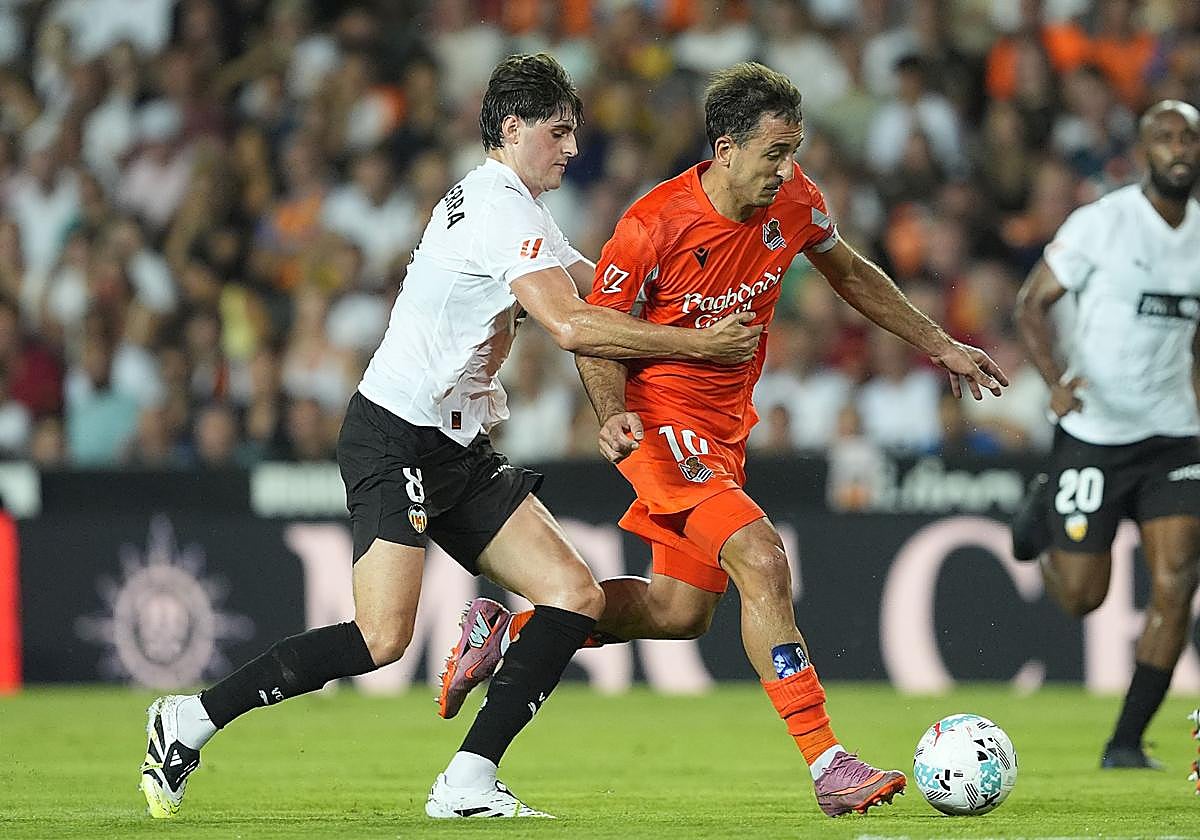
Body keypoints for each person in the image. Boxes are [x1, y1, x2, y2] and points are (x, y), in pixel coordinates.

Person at [138, 53, 761, 821]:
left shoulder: (516, 209)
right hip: (394, 434)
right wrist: (700, 347)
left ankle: (467, 780)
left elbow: (601, 290)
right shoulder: (501, 211)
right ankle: (190, 719)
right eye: (559, 132)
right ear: (513, 129)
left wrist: (687, 303)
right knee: (381, 639)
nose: (571, 148)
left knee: (574, 595)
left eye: (575, 133)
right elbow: (571, 324)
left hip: (456, 448)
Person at [438, 62, 1007, 818]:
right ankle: (829, 763)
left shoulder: (797, 200)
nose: (787, 168)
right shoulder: (652, 224)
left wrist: (938, 341)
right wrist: (611, 411)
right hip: (660, 424)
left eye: (794, 149)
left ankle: (510, 632)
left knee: (680, 613)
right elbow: (595, 334)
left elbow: (850, 273)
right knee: (762, 557)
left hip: (724, 431)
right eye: (774, 151)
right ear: (726, 148)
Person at [1011, 99, 1200, 770]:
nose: (1179, 148)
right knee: (1083, 597)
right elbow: (1031, 302)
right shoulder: (1103, 224)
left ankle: (1125, 741)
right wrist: (1055, 379)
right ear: (1144, 151)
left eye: (1189, 137)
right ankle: (1041, 512)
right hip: (1094, 432)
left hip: (1175, 436)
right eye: (1166, 137)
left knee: (1176, 582)